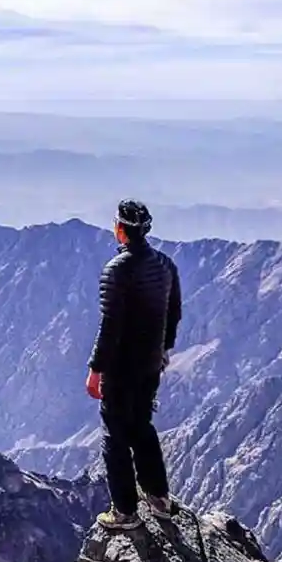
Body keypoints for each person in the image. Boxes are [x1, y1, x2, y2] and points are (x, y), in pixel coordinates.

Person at [85, 200, 182, 531]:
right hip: (151, 364)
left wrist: (96, 370)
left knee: (115, 434)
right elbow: (174, 314)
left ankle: (125, 511)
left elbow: (110, 326)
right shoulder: (166, 266)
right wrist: (163, 351)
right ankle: (160, 499)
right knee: (142, 427)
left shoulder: (116, 271)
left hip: (121, 367)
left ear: (120, 229)